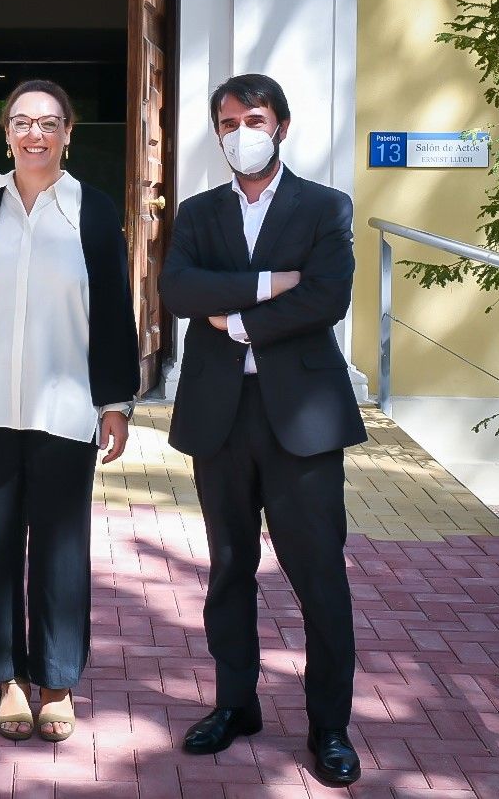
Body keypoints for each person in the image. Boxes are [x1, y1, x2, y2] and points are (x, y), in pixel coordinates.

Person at [160, 73, 366, 786]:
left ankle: (329, 727)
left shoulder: (323, 206)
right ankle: (234, 705)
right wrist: (267, 282)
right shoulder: (197, 212)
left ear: (279, 124)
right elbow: (179, 291)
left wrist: (239, 319)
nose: (239, 132)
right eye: (226, 121)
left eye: (252, 118)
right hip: (221, 418)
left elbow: (327, 296)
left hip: (301, 421)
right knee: (226, 571)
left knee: (318, 577)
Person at [0, 80, 138, 742]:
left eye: (47, 122)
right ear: (5, 133)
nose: (34, 134)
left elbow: (110, 313)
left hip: (66, 407)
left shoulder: (93, 211)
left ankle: (56, 680)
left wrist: (115, 403)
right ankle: (7, 677)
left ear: (68, 132)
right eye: (20, 122)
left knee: (60, 549)